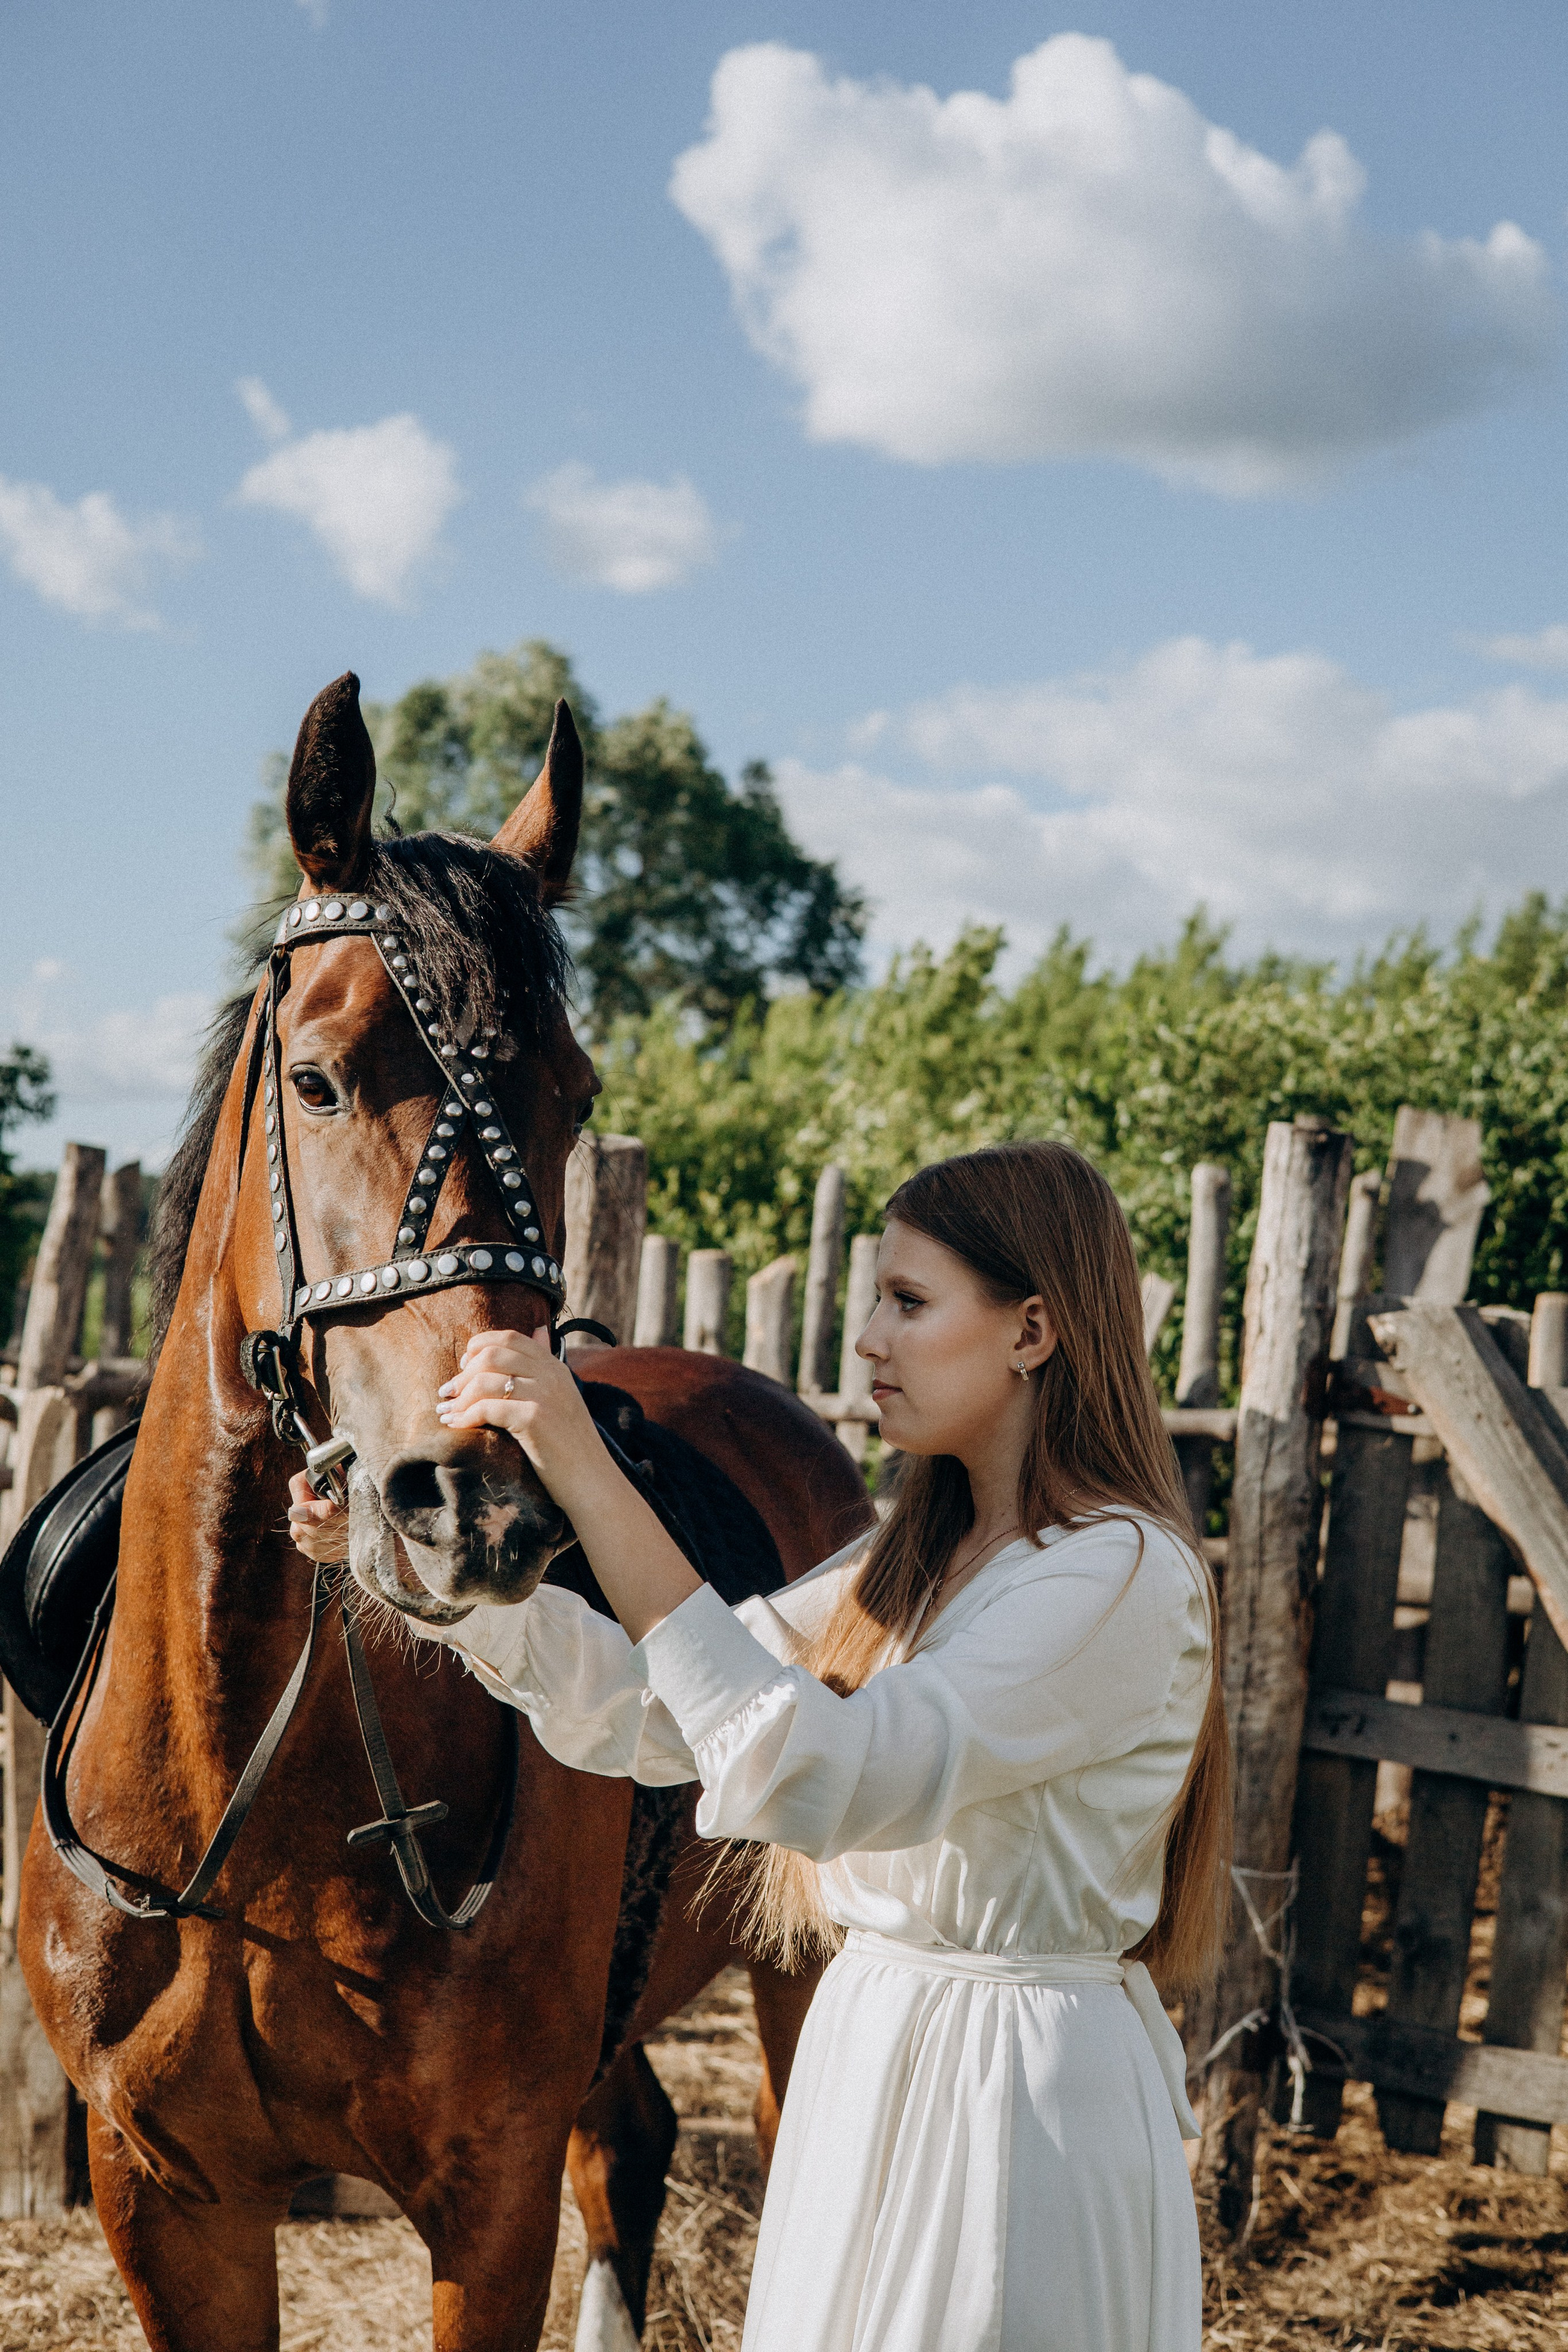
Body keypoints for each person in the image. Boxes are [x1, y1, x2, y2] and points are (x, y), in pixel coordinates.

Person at [291, 1141, 1231, 2351]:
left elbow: (829, 1781)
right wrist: (426, 1567)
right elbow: (653, 1709)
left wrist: (584, 1469)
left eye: (907, 1301)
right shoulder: (904, 1565)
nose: (868, 1343)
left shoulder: (1118, 1574)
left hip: (1007, 2095)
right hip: (875, 2050)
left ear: (1032, 1331)